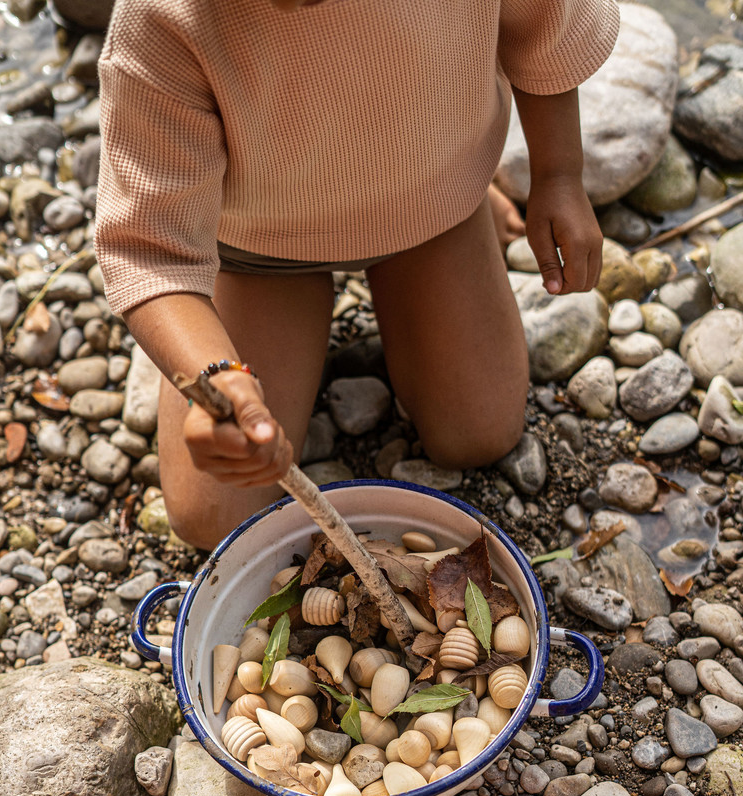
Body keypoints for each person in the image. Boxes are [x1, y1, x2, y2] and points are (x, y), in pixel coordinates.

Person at [95, 0, 619, 551]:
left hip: (431, 202)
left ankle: (473, 198)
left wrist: (560, 175)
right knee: (214, 514)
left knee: (480, 433)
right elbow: (150, 249)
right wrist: (215, 377)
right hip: (261, 243)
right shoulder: (162, 19)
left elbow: (544, 27)